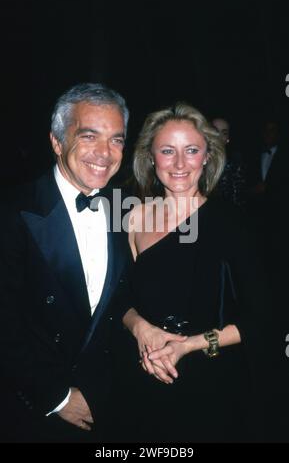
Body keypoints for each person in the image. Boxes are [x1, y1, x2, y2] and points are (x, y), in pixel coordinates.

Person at [110, 103, 283, 443]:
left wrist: (188, 346)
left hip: (210, 381)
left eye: (191, 150)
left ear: (207, 156)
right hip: (142, 375)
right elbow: (117, 296)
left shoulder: (234, 224)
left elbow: (264, 319)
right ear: (151, 156)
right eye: (167, 151)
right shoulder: (130, 217)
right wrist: (141, 329)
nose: (178, 164)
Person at [0, 83, 133, 442]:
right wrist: (55, 397)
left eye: (117, 139)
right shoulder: (13, 212)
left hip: (108, 401)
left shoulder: (125, 208)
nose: (105, 153)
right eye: (89, 136)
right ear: (57, 142)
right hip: (33, 407)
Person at [212, 117, 246, 209]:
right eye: (215, 131)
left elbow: (237, 201)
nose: (218, 136)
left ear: (227, 139)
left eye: (224, 133)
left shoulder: (234, 164)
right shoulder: (194, 161)